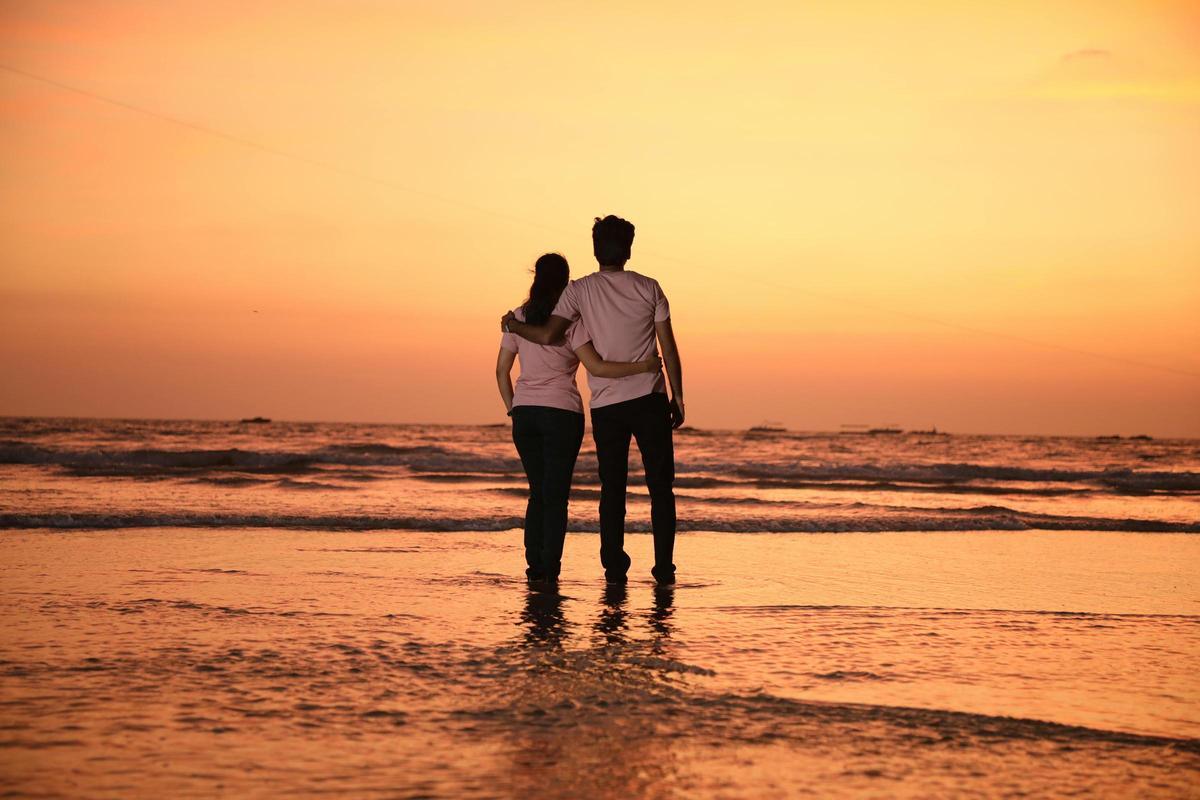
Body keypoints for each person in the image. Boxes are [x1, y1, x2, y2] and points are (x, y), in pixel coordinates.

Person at [501, 216, 684, 585]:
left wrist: (514, 325)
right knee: (661, 487)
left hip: (606, 405)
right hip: (650, 396)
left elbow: (551, 333)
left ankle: (613, 565)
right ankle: (663, 568)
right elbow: (668, 345)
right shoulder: (650, 287)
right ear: (628, 250)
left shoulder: (578, 291)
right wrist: (678, 395)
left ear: (595, 250)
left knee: (611, 487)